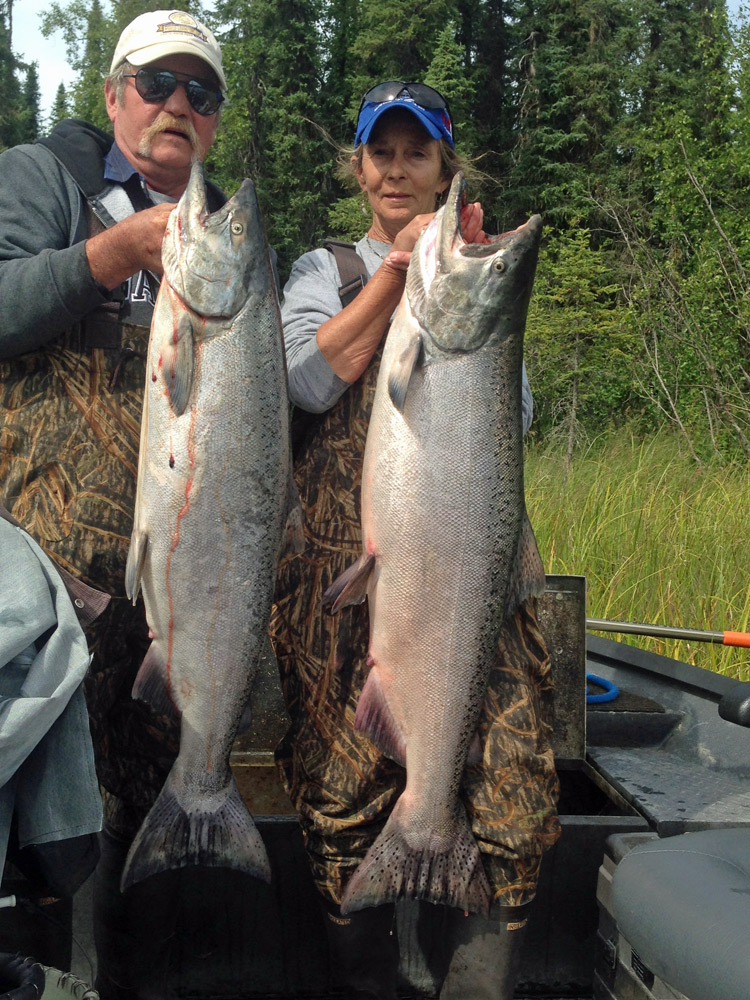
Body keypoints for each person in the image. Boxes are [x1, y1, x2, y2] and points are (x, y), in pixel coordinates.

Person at [270, 82, 562, 999]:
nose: (398, 169)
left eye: (417, 154)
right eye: (381, 153)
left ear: (442, 169)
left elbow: (508, 418)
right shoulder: (326, 274)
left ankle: (475, 971)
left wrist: (448, 271)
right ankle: (368, 977)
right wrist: (399, 274)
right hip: (341, 583)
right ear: (360, 169)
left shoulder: (470, 280)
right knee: (341, 801)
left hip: (469, 575)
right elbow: (302, 385)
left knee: (514, 790)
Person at [0, 9, 227, 994]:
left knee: (155, 815)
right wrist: (114, 252)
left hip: (173, 589)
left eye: (200, 91)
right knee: (44, 823)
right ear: (113, 95)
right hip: (37, 586)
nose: (176, 104)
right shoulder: (44, 181)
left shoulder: (230, 239)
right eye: (156, 83)